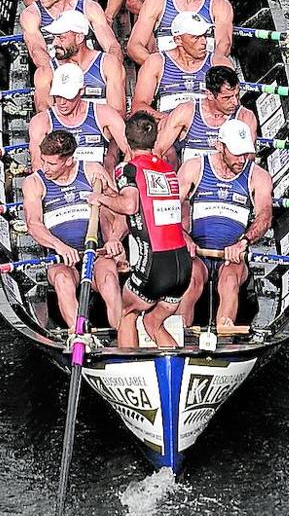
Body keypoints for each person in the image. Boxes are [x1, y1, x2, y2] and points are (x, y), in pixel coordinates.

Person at [89, 112, 199, 349]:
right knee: (153, 322)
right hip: (182, 266)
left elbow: (130, 205)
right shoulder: (168, 171)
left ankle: (131, 364)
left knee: (126, 314)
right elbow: (147, 203)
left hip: (155, 265)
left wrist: (100, 198)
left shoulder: (127, 169)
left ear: (126, 143)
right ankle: (172, 370)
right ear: (155, 140)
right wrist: (113, 196)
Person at [21, 130, 125, 332]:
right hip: (61, 260)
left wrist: (114, 238)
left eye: (51, 164)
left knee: (110, 280)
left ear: (69, 161)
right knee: (63, 281)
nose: (45, 168)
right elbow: (33, 224)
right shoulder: (34, 182)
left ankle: (122, 336)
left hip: (97, 253)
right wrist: (59, 246)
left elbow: (121, 209)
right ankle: (79, 335)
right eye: (43, 161)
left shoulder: (92, 171)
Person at [176, 119, 273, 329]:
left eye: (246, 153)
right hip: (198, 254)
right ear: (220, 147)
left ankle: (224, 334)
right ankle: (179, 337)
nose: (242, 159)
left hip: (233, 257)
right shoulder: (194, 168)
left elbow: (264, 217)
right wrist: (183, 237)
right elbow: (168, 210)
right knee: (191, 281)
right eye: (237, 153)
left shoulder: (258, 176)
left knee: (229, 282)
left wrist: (243, 242)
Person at [18, 0, 121, 70]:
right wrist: (61, 76)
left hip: (90, 68)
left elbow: (111, 45)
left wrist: (112, 70)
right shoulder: (30, 15)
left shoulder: (90, 8)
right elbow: (37, 50)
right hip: (54, 72)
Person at [130, 11, 234, 120]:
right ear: (178, 40)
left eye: (204, 35)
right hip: (168, 126)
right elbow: (138, 106)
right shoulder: (157, 62)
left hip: (208, 126)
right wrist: (170, 121)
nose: (204, 42)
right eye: (196, 37)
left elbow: (232, 106)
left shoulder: (219, 63)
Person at [28, 63, 129, 169]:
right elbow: (37, 164)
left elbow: (131, 151)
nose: (62, 102)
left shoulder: (104, 114)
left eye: (67, 96)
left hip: (98, 179)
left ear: (81, 91)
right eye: (58, 96)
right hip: (58, 182)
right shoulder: (42, 122)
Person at [154, 65, 258, 163]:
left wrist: (226, 154)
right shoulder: (186, 112)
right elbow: (159, 149)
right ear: (210, 95)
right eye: (227, 98)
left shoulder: (245, 117)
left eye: (237, 95)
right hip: (191, 177)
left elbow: (249, 159)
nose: (235, 102)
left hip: (229, 178)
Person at [33, 9, 126, 114]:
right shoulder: (46, 71)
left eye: (61, 38)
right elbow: (44, 112)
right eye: (54, 37)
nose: (55, 43)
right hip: (62, 129)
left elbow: (117, 112)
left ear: (79, 38)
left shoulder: (108, 65)